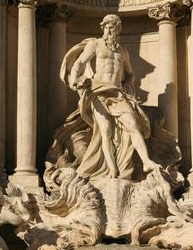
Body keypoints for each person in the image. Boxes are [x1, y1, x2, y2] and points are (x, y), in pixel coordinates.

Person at [60, 14, 158, 179]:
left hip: (117, 93)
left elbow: (130, 74)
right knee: (105, 131)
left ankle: (147, 161)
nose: (110, 30)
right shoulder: (95, 44)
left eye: (113, 27)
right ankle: (112, 169)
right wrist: (74, 81)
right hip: (98, 91)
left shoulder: (123, 51)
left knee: (133, 124)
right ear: (103, 28)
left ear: (118, 29)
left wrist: (128, 89)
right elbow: (80, 63)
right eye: (107, 27)